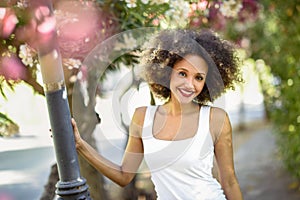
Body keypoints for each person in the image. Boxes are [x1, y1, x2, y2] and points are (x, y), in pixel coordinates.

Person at [72, 29, 243, 200]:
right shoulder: (142, 117)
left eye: (198, 78)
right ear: (167, 71)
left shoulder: (216, 119)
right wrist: (80, 145)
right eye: (182, 73)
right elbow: (124, 176)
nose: (189, 85)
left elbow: (229, 181)